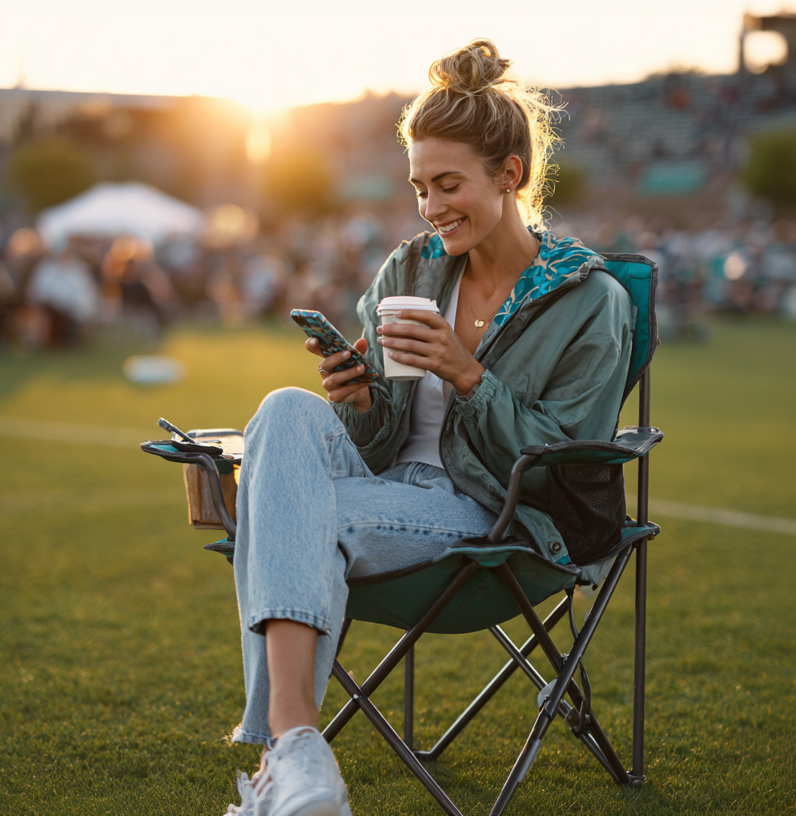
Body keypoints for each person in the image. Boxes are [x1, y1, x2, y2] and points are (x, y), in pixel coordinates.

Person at [221, 40, 634, 816]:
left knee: (285, 516)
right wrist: (362, 398)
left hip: (494, 514)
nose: (430, 207)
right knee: (283, 407)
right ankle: (298, 746)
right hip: (385, 491)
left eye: (448, 184)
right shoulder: (410, 273)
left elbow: (561, 465)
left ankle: (290, 757)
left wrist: (467, 374)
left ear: (509, 174)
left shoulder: (590, 301)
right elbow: (375, 445)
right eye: (419, 188)